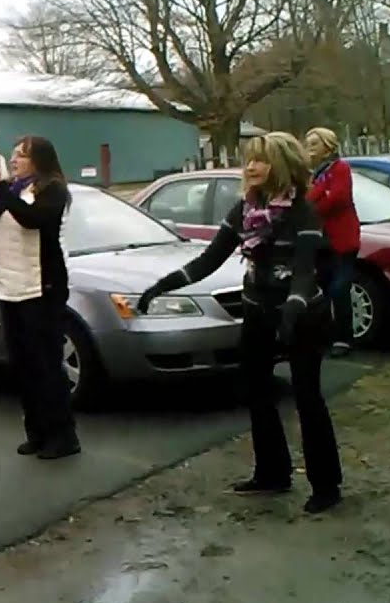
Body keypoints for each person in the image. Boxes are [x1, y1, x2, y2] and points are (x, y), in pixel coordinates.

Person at [138, 132, 343, 514]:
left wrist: (293, 310)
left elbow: (303, 273)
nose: (250, 167)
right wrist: (161, 287)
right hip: (258, 310)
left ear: (280, 165)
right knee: (256, 390)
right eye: (249, 159)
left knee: (307, 396)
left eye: (260, 160)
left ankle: (326, 484)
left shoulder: (303, 213)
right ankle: (272, 473)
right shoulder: (245, 211)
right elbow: (208, 261)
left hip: (302, 315)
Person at [0, 138, 80, 460]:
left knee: (46, 365)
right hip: (9, 287)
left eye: (20, 156)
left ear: (38, 160)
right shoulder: (12, 191)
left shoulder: (52, 190)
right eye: (12, 155)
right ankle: (37, 431)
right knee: (23, 364)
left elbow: (32, 219)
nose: (13, 161)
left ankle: (63, 435)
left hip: (42, 288)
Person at [304, 127, 361, 357]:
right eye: (308, 145)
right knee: (324, 288)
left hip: (342, 238)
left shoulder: (340, 168)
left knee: (340, 288)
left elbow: (337, 197)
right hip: (321, 241)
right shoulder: (313, 173)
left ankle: (344, 338)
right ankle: (327, 334)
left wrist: (314, 204)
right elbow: (310, 196)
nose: (309, 149)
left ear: (327, 146)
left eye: (314, 144)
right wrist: (318, 195)